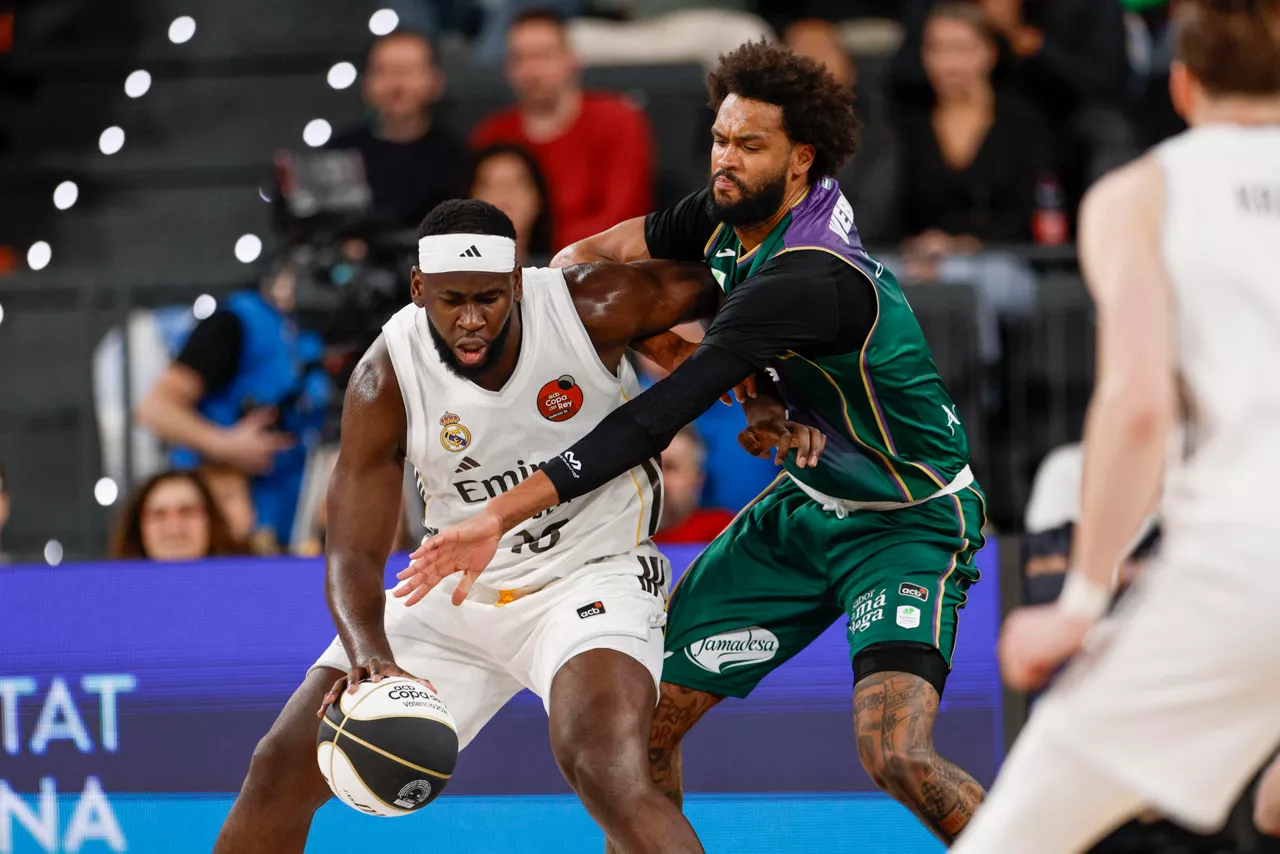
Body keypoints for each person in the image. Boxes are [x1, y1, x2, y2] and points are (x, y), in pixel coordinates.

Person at [400, 40, 989, 844]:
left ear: (800, 158)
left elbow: (651, 421)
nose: (725, 158)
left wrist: (499, 514)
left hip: (909, 523)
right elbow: (579, 266)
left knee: (895, 755)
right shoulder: (729, 208)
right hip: (805, 508)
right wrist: (732, 377)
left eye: (750, 145)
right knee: (634, 737)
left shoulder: (808, 273)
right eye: (721, 137)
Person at [210, 199, 820, 854]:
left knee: (601, 765)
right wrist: (371, 660)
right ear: (418, 290)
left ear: (520, 284)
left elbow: (739, 280)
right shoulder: (383, 378)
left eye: (489, 300)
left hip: (594, 574)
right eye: (450, 301)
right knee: (280, 764)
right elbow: (353, 551)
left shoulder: (590, 306)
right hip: (457, 585)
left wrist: (759, 384)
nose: (470, 321)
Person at [949, 2, 1280, 850]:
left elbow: (1137, 406)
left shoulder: (1145, 192)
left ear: (1181, 81)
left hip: (1250, 562)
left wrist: (1082, 604)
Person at [136, 256, 329, 548]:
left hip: (292, 522)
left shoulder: (323, 334)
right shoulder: (236, 323)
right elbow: (155, 408)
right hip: (216, 522)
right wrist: (224, 444)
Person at [470, 8, 654, 249]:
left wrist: (536, 246)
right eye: (519, 58)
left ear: (572, 60)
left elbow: (626, 217)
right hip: (511, 272)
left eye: (544, 56)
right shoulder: (491, 134)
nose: (531, 71)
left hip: (601, 270)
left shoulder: (618, 120)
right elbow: (476, 221)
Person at [899, 3, 1053, 251]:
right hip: (921, 262)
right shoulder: (910, 125)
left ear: (989, 52)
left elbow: (1031, 207)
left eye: (961, 49)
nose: (948, 64)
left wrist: (968, 245)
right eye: (935, 49)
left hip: (1003, 258)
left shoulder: (1021, 121)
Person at [328, 31, 468, 229]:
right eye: (383, 71)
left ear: (436, 82)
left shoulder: (460, 157)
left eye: (408, 71)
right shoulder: (340, 155)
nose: (396, 85)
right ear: (365, 84)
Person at [109, 470, 248, 561]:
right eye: (159, 515)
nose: (174, 527)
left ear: (211, 520)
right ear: (138, 527)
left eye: (187, 511)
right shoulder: (111, 597)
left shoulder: (247, 589)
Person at [469, 143, 554, 266]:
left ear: (539, 199)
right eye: (490, 185)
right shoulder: (444, 278)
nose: (504, 191)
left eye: (517, 182)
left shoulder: (560, 277)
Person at [653, 425, 736, 544]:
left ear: (698, 479)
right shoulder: (621, 535)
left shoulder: (728, 533)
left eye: (670, 467)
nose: (656, 478)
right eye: (650, 468)